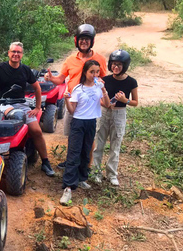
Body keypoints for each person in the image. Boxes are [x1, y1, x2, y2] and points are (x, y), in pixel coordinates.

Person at [0, 42, 55, 177]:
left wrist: (37, 107)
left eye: (18, 52)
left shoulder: (25, 70)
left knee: (36, 130)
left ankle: (45, 162)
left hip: (21, 104)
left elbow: (37, 88)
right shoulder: (0, 67)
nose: (16, 54)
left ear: (21, 55)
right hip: (0, 104)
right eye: (13, 52)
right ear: (8, 53)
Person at [45, 24, 107, 170]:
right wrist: (50, 78)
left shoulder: (99, 59)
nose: (84, 42)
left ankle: (87, 164)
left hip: (90, 105)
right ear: (76, 41)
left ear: (92, 41)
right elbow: (61, 79)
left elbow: (104, 80)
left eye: (87, 39)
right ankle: (72, 161)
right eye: (81, 39)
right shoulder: (70, 59)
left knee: (89, 137)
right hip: (73, 102)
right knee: (72, 135)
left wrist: (102, 95)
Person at [60, 60, 110, 205]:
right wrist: (66, 100)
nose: (94, 74)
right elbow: (72, 110)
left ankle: (81, 178)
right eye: (91, 72)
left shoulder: (98, 88)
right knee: (74, 152)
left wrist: (104, 91)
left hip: (91, 122)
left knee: (86, 150)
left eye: (97, 72)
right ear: (85, 73)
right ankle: (68, 187)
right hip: (78, 122)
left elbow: (107, 105)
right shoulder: (78, 89)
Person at [92, 49, 138, 186]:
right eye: (113, 64)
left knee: (115, 145)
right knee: (98, 144)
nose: (116, 67)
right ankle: (96, 172)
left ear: (125, 65)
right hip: (104, 113)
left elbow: (135, 102)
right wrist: (105, 103)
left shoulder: (131, 82)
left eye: (119, 64)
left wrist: (125, 100)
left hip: (119, 114)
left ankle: (112, 174)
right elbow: (98, 98)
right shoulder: (104, 80)